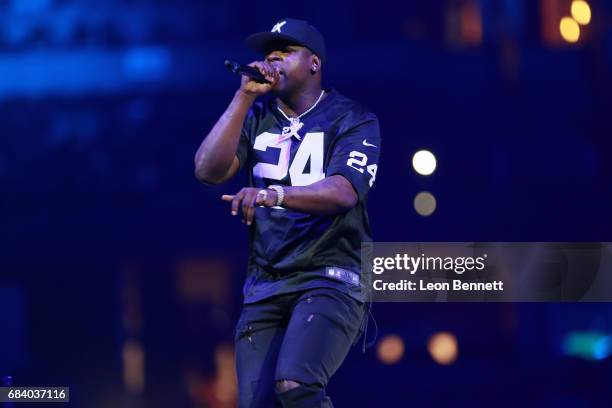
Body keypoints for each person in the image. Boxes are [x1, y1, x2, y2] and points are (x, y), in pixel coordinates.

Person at [194, 18, 381, 408]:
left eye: (286, 50)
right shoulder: (256, 118)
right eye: (268, 53)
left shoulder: (352, 118)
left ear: (314, 63)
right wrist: (243, 96)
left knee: (295, 382)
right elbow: (207, 169)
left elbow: (344, 192)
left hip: (330, 276)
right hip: (265, 284)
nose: (272, 57)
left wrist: (273, 195)